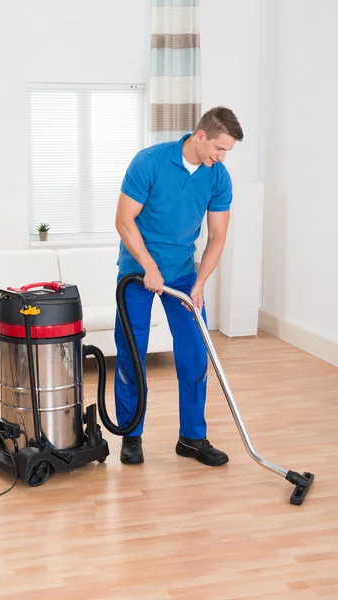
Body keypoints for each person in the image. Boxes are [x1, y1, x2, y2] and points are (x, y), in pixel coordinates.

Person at [114, 106, 243, 466]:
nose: (222, 157)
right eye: (220, 149)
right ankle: (131, 435)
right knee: (131, 354)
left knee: (193, 354)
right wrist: (149, 267)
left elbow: (218, 235)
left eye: (227, 152)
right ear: (200, 136)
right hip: (136, 273)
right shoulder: (149, 162)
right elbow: (124, 221)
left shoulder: (218, 176)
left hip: (184, 274)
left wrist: (200, 283)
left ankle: (192, 437)